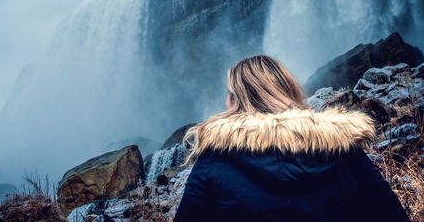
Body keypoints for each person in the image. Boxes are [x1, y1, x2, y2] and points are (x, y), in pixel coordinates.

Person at [173, 55, 409, 222]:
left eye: (229, 93)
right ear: (288, 90)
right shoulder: (344, 150)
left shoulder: (215, 159)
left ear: (235, 100)